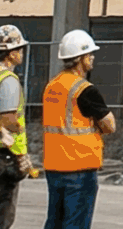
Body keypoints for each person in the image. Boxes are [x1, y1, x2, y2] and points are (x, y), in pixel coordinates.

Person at [40, 29, 115, 229]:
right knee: (76, 223)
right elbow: (110, 125)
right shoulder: (85, 90)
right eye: (89, 54)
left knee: (55, 222)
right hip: (79, 167)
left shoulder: (51, 86)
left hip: (54, 166)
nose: (92, 58)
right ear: (80, 58)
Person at [0, 25, 29, 229]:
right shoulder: (8, 80)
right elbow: (8, 119)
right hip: (5, 157)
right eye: (20, 49)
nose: (22, 54)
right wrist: (21, 155)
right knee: (3, 216)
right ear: (11, 53)